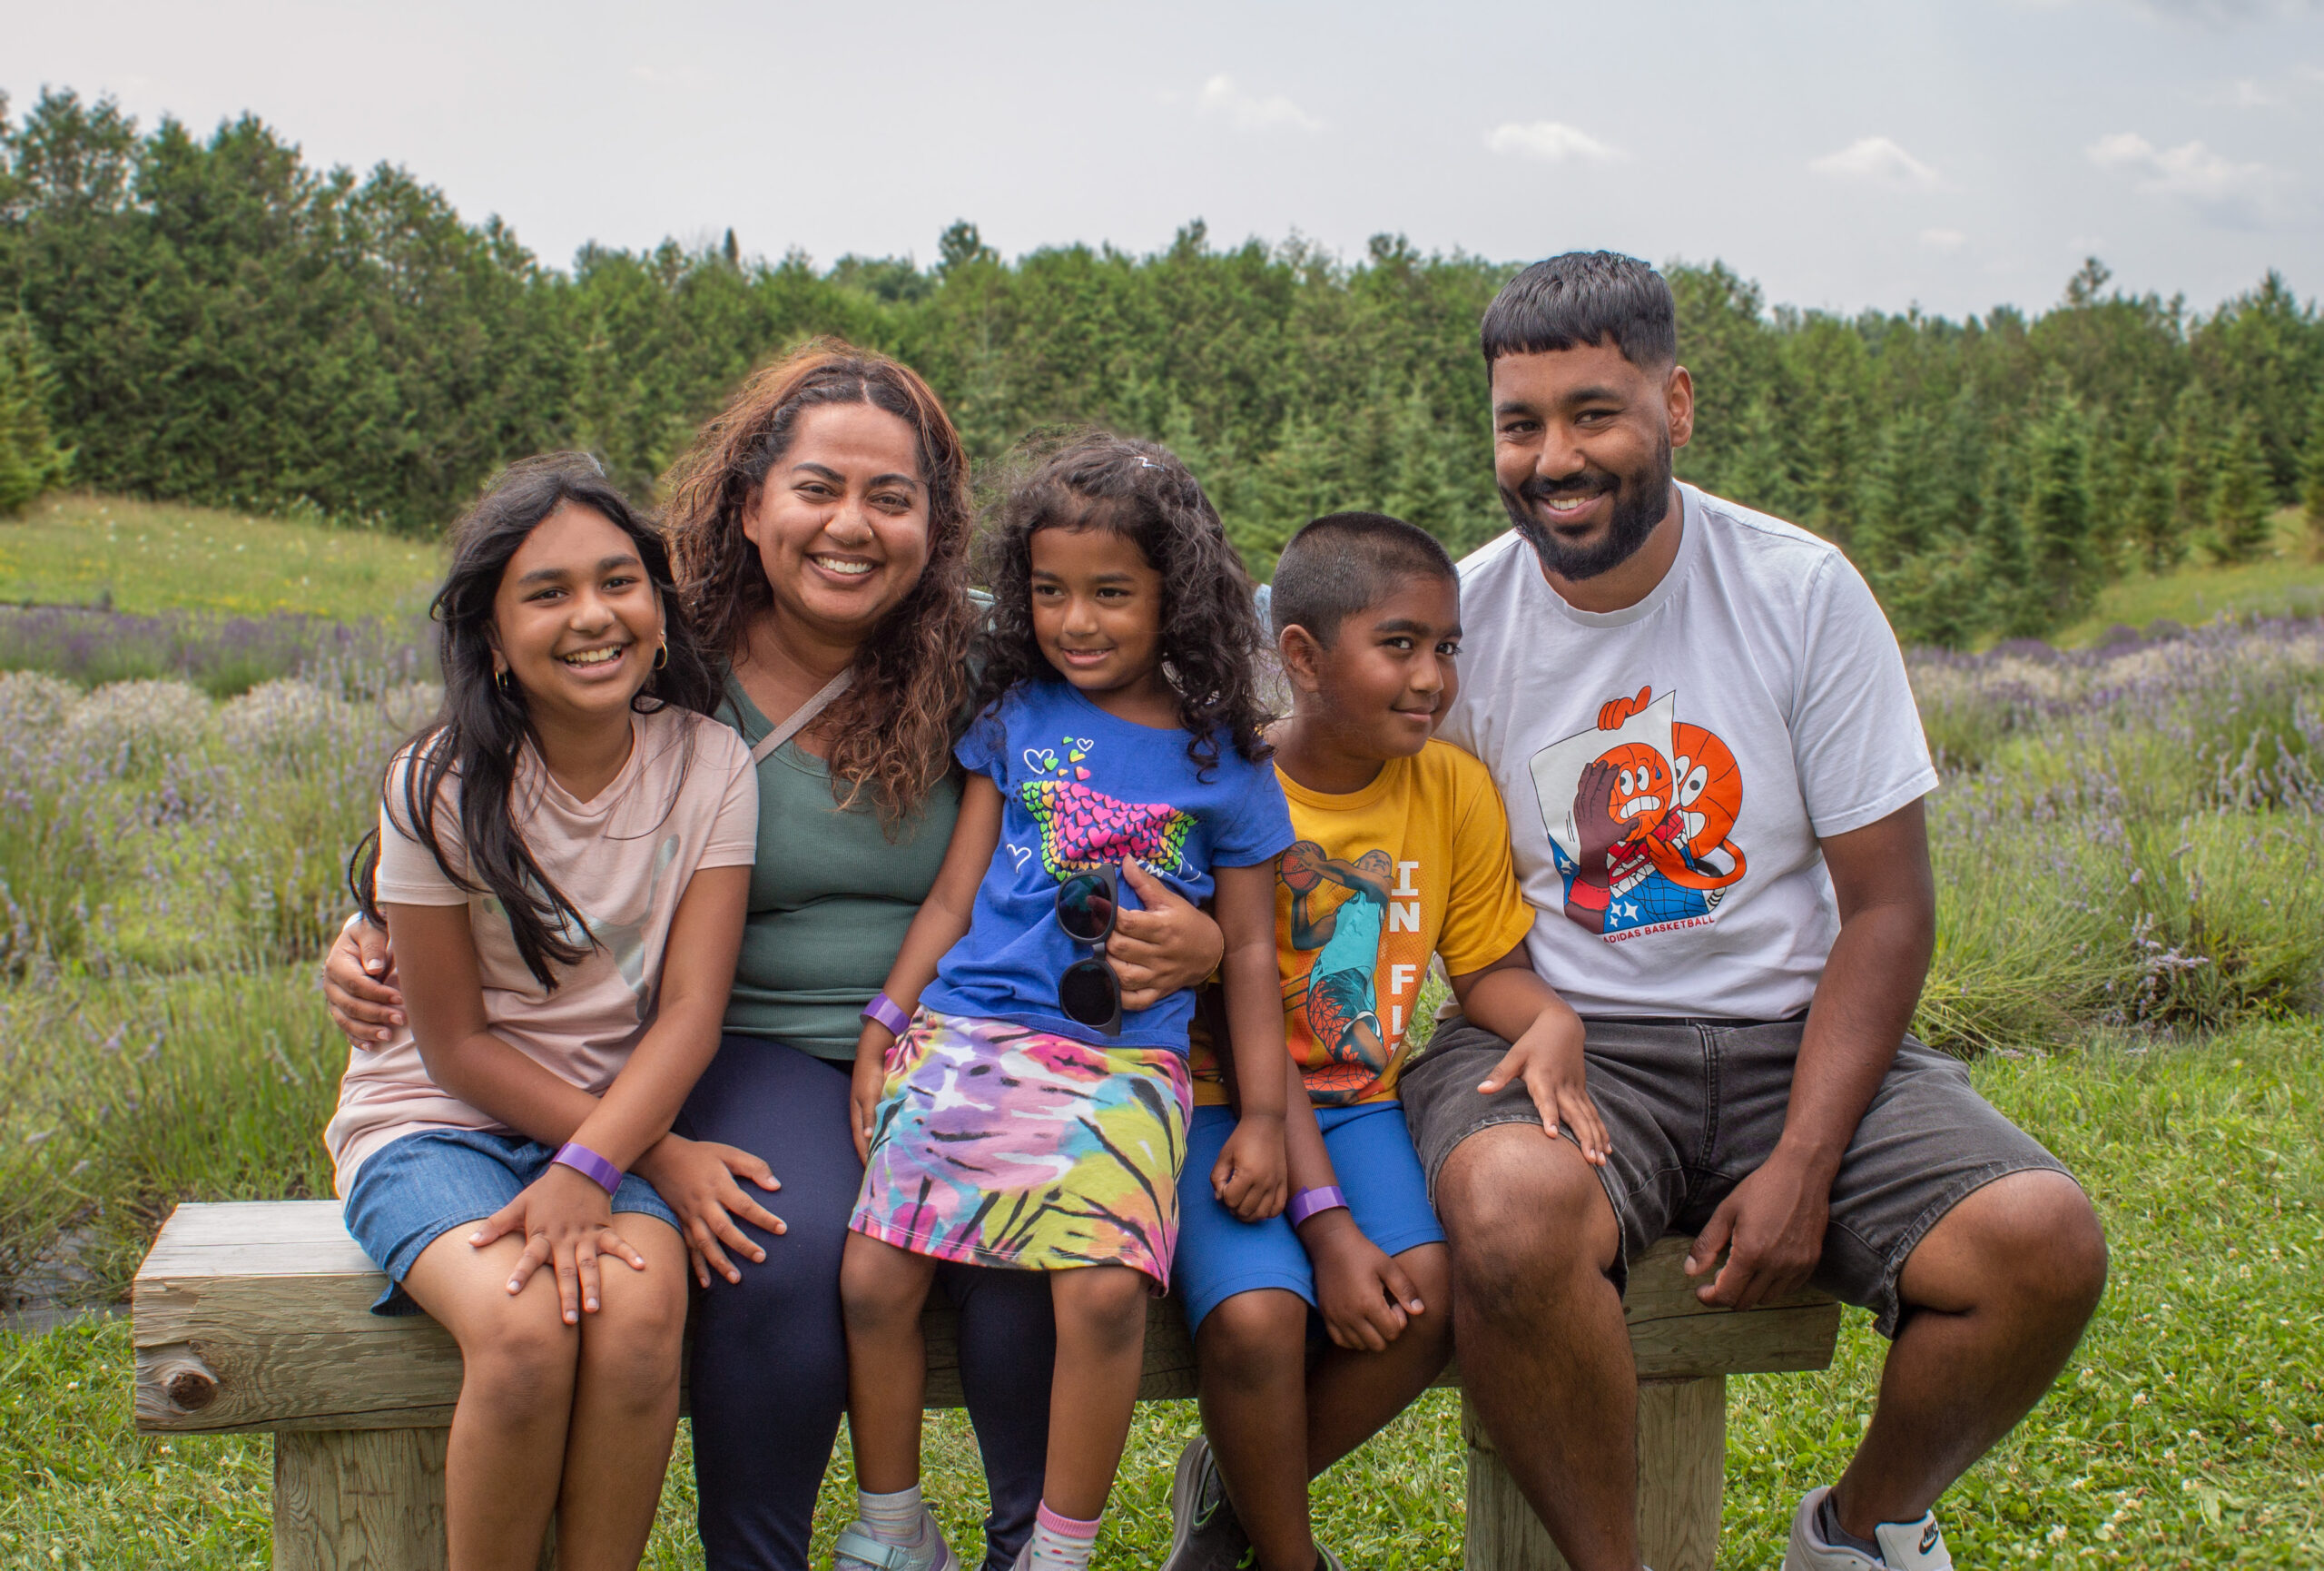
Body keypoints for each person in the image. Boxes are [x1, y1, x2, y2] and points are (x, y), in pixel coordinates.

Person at [319, 345, 1230, 1571]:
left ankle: (1029, 1550)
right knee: (780, 1249)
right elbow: (495, 774)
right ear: (750, 504)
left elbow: (1197, 760)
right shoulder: (671, 648)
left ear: (935, 523)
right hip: (756, 1033)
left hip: (984, 1034)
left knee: (1027, 1248)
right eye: (816, 488)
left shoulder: (1000, 657)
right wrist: (366, 925)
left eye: (890, 497)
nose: (850, 525)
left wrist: (1212, 939)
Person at [1395, 252, 2108, 1571]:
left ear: (1675, 404)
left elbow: (1886, 905)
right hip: (1568, 1037)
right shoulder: (1457, 623)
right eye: (1519, 423)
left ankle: (1858, 1531)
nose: (1555, 459)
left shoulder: (1799, 591)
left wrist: (1807, 1158)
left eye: (1594, 413)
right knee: (1506, 1206)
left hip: (1795, 1037)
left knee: (2039, 1241)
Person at [832, 434, 1297, 1571]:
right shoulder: (1016, 718)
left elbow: (1248, 952)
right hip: (969, 1031)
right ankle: (893, 1528)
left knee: (1100, 1296)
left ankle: (1057, 1550)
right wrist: (885, 1021)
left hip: (1120, 1062)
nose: (1074, 621)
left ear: (1174, 596)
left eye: (1109, 593)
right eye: (1049, 590)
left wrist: (1266, 1117)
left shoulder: (1225, 761)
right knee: (872, 1273)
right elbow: (955, 895)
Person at [325, 453, 757, 1571]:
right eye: (547, 592)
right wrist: (634, 1157)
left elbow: (691, 1012)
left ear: (659, 608)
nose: (592, 615)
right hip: (433, 1124)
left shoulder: (709, 763)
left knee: (641, 1316)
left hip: (609, 1125)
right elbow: (456, 1045)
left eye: (618, 581)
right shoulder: (436, 783)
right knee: (521, 1334)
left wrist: (596, 1162)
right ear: (491, 636)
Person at [1162, 512, 1604, 1571]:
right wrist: (1325, 1233)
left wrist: (1552, 1019)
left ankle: (1235, 1507)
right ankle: (1291, 1556)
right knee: (1258, 1318)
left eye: (1446, 646)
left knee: (1425, 1297)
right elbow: (1230, 1012)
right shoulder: (1227, 786)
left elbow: (1484, 967)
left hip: (1355, 1104)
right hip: (1221, 1106)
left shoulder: (1449, 788)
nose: (1431, 677)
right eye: (1398, 644)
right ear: (1302, 655)